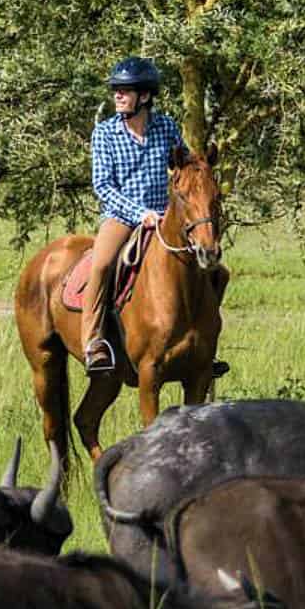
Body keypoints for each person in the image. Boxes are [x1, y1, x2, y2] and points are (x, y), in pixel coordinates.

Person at [82, 56, 183, 373]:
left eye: (124, 90)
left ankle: (204, 341)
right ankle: (94, 342)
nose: (117, 95)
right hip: (122, 217)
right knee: (100, 265)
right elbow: (102, 185)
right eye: (116, 90)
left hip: (166, 218)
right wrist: (140, 214)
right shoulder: (105, 133)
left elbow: (183, 164)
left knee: (214, 269)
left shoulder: (166, 127)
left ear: (145, 96)